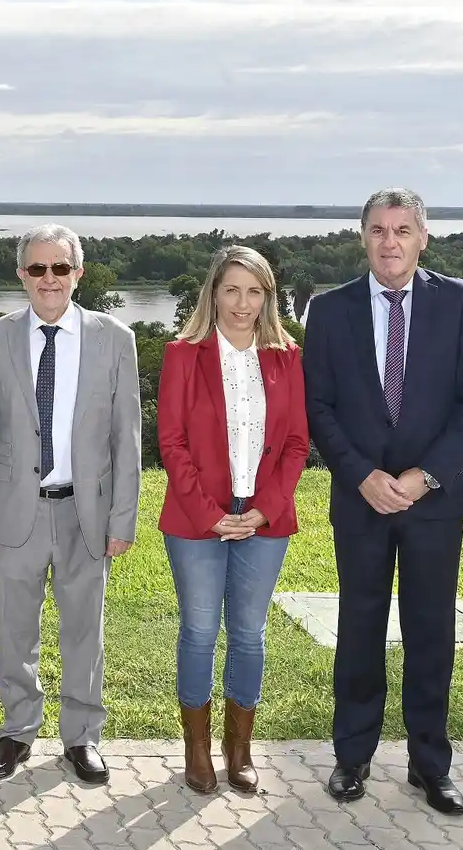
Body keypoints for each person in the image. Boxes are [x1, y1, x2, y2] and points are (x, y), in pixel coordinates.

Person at [304, 188, 463, 815]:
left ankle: (429, 766)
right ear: (362, 237)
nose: (391, 242)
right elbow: (319, 407)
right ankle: (352, 758)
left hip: (434, 502)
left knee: (431, 632)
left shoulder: (458, 301)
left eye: (403, 230)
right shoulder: (328, 310)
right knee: (359, 628)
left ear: (423, 237)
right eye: (379, 230)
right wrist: (361, 476)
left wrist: (425, 476)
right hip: (360, 500)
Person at [0, 224, 140, 784]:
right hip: (15, 510)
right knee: (16, 629)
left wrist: (122, 518)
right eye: (37, 268)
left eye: (59, 268)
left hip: (85, 513)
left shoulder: (115, 339)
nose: (48, 279)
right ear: (21, 275)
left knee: (84, 631)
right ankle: (17, 733)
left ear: (77, 274)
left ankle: (82, 738)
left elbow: (127, 439)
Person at [156, 245, 309, 794]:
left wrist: (265, 508)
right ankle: (196, 750)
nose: (242, 304)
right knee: (199, 631)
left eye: (254, 292)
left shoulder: (286, 356)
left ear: (267, 296)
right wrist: (211, 514)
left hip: (265, 520)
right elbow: (171, 444)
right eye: (232, 290)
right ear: (213, 293)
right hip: (197, 521)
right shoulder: (183, 354)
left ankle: (237, 749)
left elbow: (295, 443)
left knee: (249, 634)